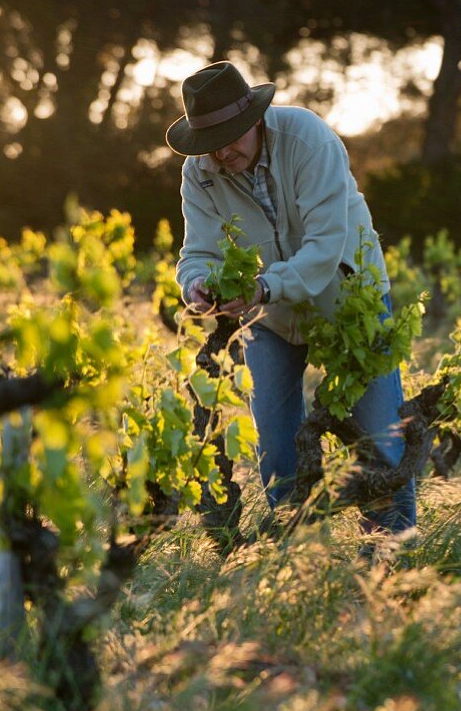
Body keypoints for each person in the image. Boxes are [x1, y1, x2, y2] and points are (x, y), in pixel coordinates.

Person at [165, 60, 415, 539]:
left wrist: (264, 287)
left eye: (231, 136)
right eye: (209, 144)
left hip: (348, 300)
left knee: (381, 441)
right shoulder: (199, 173)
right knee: (278, 452)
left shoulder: (308, 140)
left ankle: (391, 557)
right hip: (271, 316)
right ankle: (297, 563)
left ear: (255, 119)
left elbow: (325, 249)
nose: (221, 153)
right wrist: (195, 285)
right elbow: (195, 251)